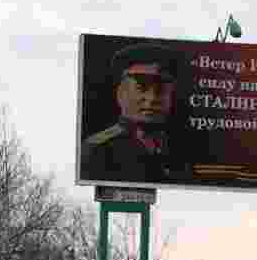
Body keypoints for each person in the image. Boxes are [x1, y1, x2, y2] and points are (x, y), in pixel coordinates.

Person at [81, 43, 192, 183]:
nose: (151, 99)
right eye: (141, 88)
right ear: (121, 94)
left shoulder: (181, 149)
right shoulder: (96, 149)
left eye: (161, 91)